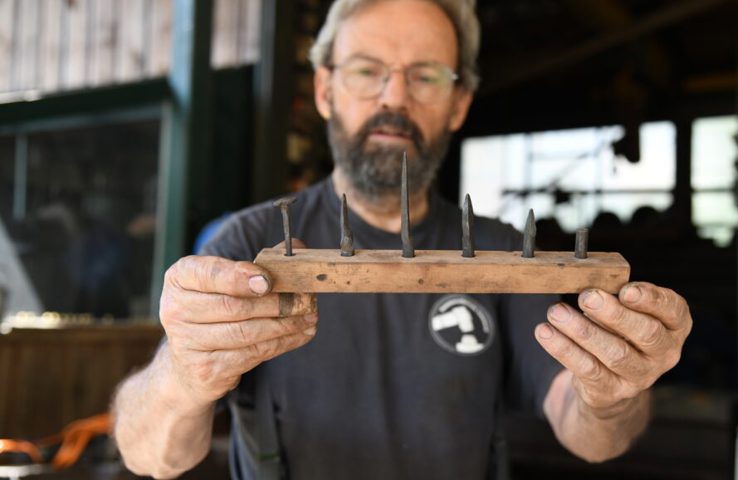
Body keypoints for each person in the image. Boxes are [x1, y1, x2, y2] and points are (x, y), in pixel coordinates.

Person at [111, 1, 693, 478]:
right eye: (367, 71)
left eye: (426, 75)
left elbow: (591, 435)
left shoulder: (504, 253)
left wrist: (613, 395)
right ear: (323, 91)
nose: (394, 98)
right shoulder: (247, 241)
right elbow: (151, 455)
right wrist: (182, 376)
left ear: (459, 102)